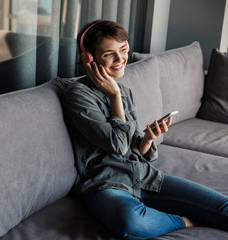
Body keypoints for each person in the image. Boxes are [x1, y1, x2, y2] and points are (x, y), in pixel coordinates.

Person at [63, 19, 228, 240]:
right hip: (107, 183)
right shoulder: (79, 95)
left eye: (122, 50)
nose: (120, 59)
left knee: (223, 207)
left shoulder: (124, 91)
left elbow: (135, 150)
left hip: (144, 176)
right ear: (89, 59)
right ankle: (184, 220)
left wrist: (148, 139)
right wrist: (114, 97)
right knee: (132, 224)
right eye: (108, 54)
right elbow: (119, 146)